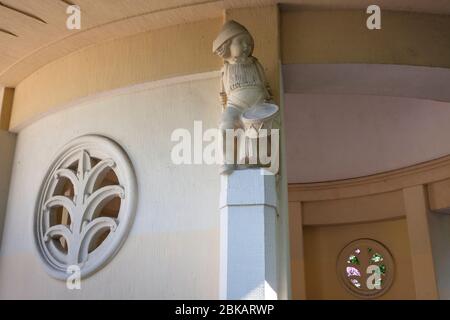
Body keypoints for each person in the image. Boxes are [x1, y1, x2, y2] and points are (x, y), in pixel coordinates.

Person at [213, 20, 273, 174]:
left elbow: (265, 84)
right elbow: (223, 93)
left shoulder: (255, 64)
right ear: (227, 46)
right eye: (241, 42)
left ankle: (252, 160)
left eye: (248, 43)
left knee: (255, 130)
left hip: (257, 104)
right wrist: (223, 102)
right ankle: (227, 161)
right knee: (226, 125)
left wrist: (268, 98)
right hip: (235, 105)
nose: (246, 46)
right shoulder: (226, 69)